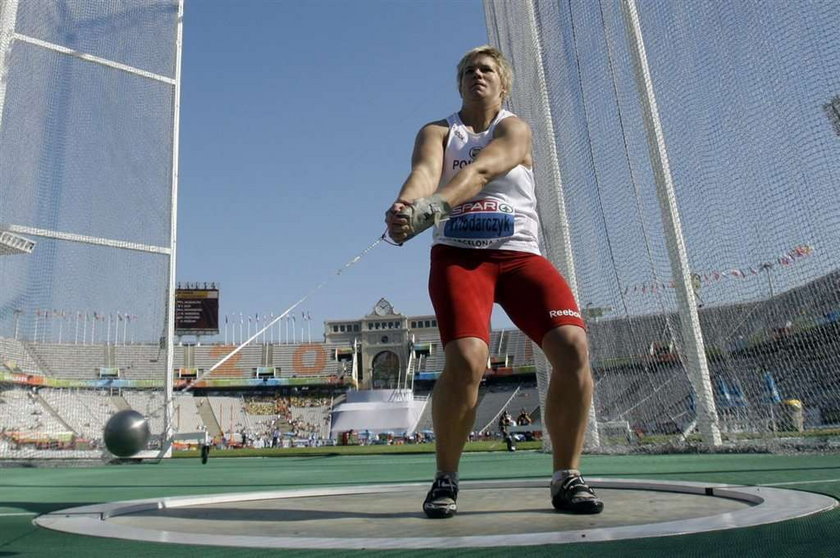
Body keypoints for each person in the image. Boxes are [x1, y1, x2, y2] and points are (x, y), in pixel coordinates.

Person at [385, 45, 603, 518]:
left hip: (520, 255)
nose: (475, 75)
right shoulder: (438, 131)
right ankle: (446, 477)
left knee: (572, 348)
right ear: (458, 83)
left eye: (485, 69)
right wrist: (405, 207)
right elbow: (423, 173)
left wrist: (434, 207)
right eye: (467, 70)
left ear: (502, 83)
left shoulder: (514, 128)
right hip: (461, 259)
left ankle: (567, 475)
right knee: (466, 359)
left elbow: (483, 171)